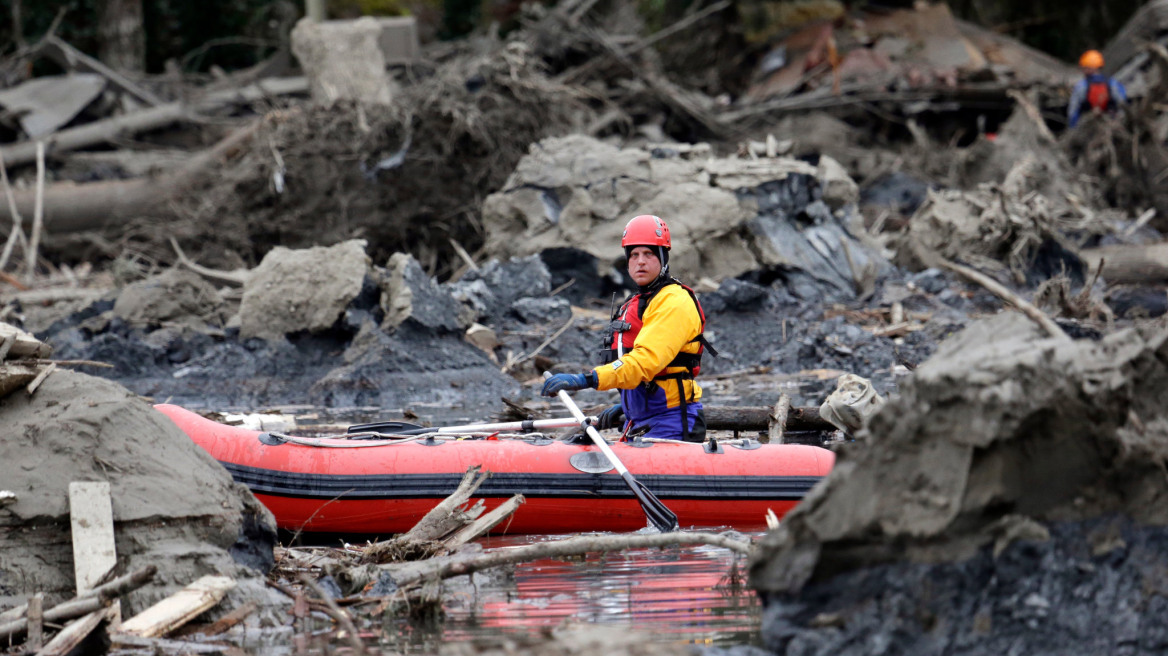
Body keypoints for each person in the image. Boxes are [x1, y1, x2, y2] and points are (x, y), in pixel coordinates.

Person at [540, 214, 715, 442]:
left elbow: (644, 361)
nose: (640, 261)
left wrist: (586, 379)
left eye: (649, 253)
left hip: (673, 422)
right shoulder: (639, 301)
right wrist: (626, 405)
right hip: (642, 420)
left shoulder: (674, 301)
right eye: (634, 254)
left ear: (663, 258)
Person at [1068, 49, 1127, 128]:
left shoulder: (1081, 86)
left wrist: (1073, 128)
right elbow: (1123, 104)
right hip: (1111, 125)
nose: (1083, 70)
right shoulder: (1113, 83)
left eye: (1084, 68)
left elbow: (1072, 112)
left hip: (1087, 126)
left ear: (1090, 68)